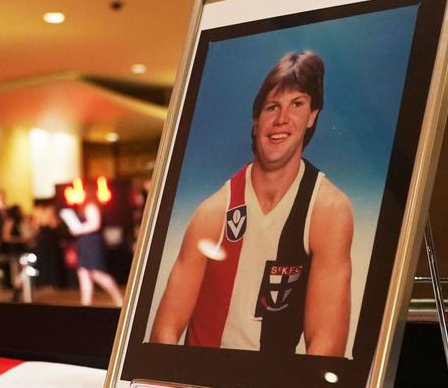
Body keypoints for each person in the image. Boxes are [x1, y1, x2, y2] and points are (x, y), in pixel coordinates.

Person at [150, 50, 353, 356]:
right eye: (272, 107)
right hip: (205, 386)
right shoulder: (214, 212)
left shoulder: (328, 210)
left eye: (296, 104)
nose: (282, 119)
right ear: (256, 122)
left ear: (312, 115)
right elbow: (165, 331)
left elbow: (327, 341)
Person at [60, 200, 124, 307]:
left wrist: (78, 229)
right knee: (83, 273)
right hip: (84, 244)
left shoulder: (91, 206)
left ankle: (119, 298)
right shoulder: (82, 207)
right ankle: (86, 304)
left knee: (96, 273)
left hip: (92, 244)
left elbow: (95, 225)